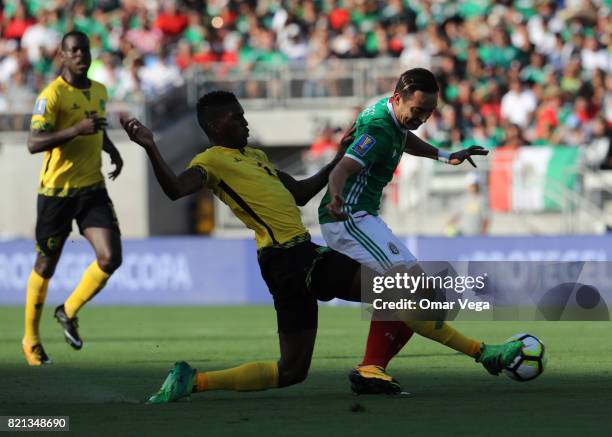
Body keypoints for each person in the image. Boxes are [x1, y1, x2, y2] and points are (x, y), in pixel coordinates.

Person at [121, 90, 521, 403]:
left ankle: (195, 381)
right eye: (236, 117)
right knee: (397, 293)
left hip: (288, 264)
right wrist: (150, 147)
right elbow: (175, 189)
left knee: (292, 372)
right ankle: (482, 352)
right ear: (214, 125)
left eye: (244, 114)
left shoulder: (256, 157)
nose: (245, 121)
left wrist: (338, 159)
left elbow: (299, 193)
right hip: (291, 258)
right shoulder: (211, 161)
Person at [320, 68, 490, 394]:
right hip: (350, 218)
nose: (423, 118)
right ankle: (373, 367)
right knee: (415, 290)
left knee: (417, 294)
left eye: (429, 111)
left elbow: (404, 137)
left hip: (362, 217)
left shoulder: (390, 115)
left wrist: (444, 155)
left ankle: (372, 369)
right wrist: (338, 196)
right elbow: (342, 168)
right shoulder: (379, 129)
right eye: (417, 111)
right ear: (399, 99)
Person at [22, 31, 123, 366]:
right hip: (56, 194)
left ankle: (68, 310)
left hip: (92, 189)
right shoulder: (51, 95)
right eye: (73, 50)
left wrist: (112, 151)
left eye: (85, 49)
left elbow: (97, 127)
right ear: (62, 56)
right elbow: (34, 143)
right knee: (45, 266)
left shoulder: (100, 90)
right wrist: (74, 130)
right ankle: (31, 339)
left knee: (110, 258)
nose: (81, 54)